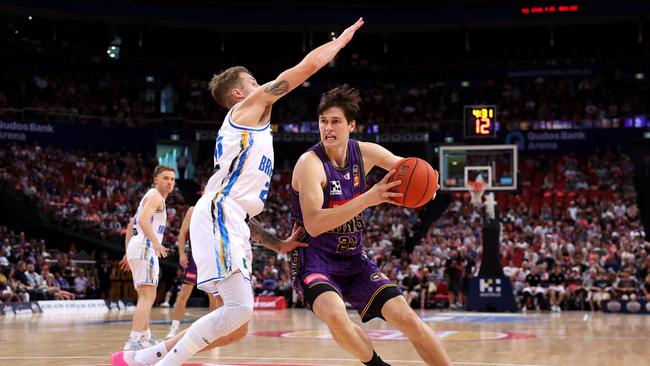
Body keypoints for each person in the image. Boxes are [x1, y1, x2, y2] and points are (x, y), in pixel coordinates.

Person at [110, 17, 364, 366]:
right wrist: (340, 43)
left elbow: (242, 214)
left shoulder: (252, 128)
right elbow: (305, 67)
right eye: (255, 82)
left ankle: (139, 359)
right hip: (218, 213)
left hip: (230, 218)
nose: (264, 86)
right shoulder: (245, 110)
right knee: (238, 309)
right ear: (239, 93)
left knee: (237, 325)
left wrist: (279, 245)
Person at [290, 85, 451, 366]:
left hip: (354, 259)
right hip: (314, 260)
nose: (328, 128)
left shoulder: (365, 152)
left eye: (336, 121)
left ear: (351, 125)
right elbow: (314, 224)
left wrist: (429, 180)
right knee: (336, 315)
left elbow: (406, 167)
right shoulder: (309, 163)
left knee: (408, 319)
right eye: (323, 121)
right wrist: (369, 198)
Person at [119, 165, 176, 351]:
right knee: (148, 296)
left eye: (172, 179)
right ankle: (134, 340)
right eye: (166, 178)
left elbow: (130, 224)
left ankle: (144, 337)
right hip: (146, 248)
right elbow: (142, 221)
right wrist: (156, 243)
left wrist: (128, 252)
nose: (169, 182)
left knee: (146, 296)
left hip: (138, 247)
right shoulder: (155, 196)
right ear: (155, 180)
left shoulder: (150, 197)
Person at [162, 206, 219, 339]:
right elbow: (182, 233)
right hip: (194, 258)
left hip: (211, 258)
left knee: (213, 296)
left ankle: (212, 332)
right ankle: (174, 329)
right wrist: (182, 253)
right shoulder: (193, 210)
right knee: (183, 294)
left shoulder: (217, 209)